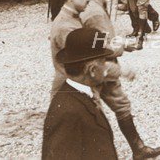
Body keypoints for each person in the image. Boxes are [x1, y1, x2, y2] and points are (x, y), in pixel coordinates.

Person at [81, 0, 160, 160]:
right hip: (101, 66)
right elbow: (103, 45)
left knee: (116, 106)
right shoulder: (95, 12)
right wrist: (123, 48)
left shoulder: (95, 4)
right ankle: (135, 149)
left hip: (99, 64)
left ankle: (138, 149)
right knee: (108, 108)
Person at [42, 28, 118, 160]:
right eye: (103, 61)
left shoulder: (79, 96)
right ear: (92, 70)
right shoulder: (68, 112)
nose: (105, 67)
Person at [49, 0, 91, 96]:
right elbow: (85, 58)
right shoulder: (65, 26)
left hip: (74, 85)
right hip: (69, 90)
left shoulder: (72, 18)